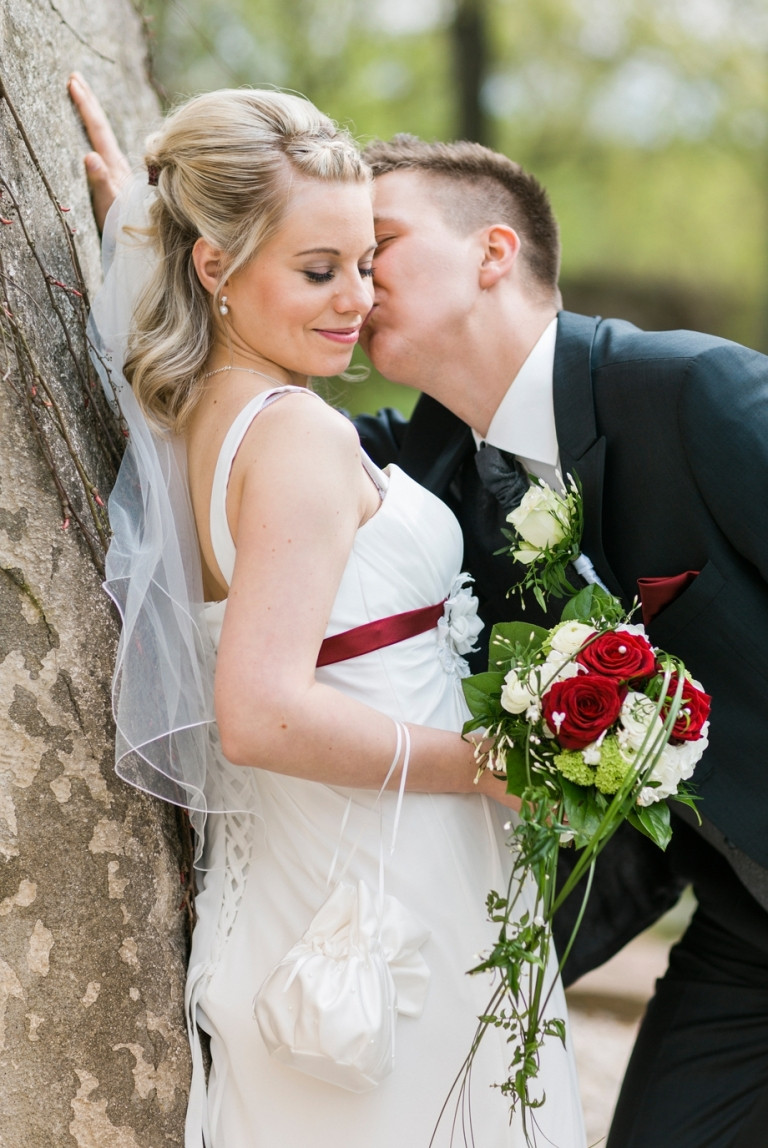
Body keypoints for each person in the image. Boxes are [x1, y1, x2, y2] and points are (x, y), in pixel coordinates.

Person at [73, 76, 768, 1148]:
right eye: (326, 258)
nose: (357, 284)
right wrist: (151, 244)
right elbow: (235, 438)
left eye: (374, 246)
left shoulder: (696, 390)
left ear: (492, 254)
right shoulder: (423, 457)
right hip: (713, 917)